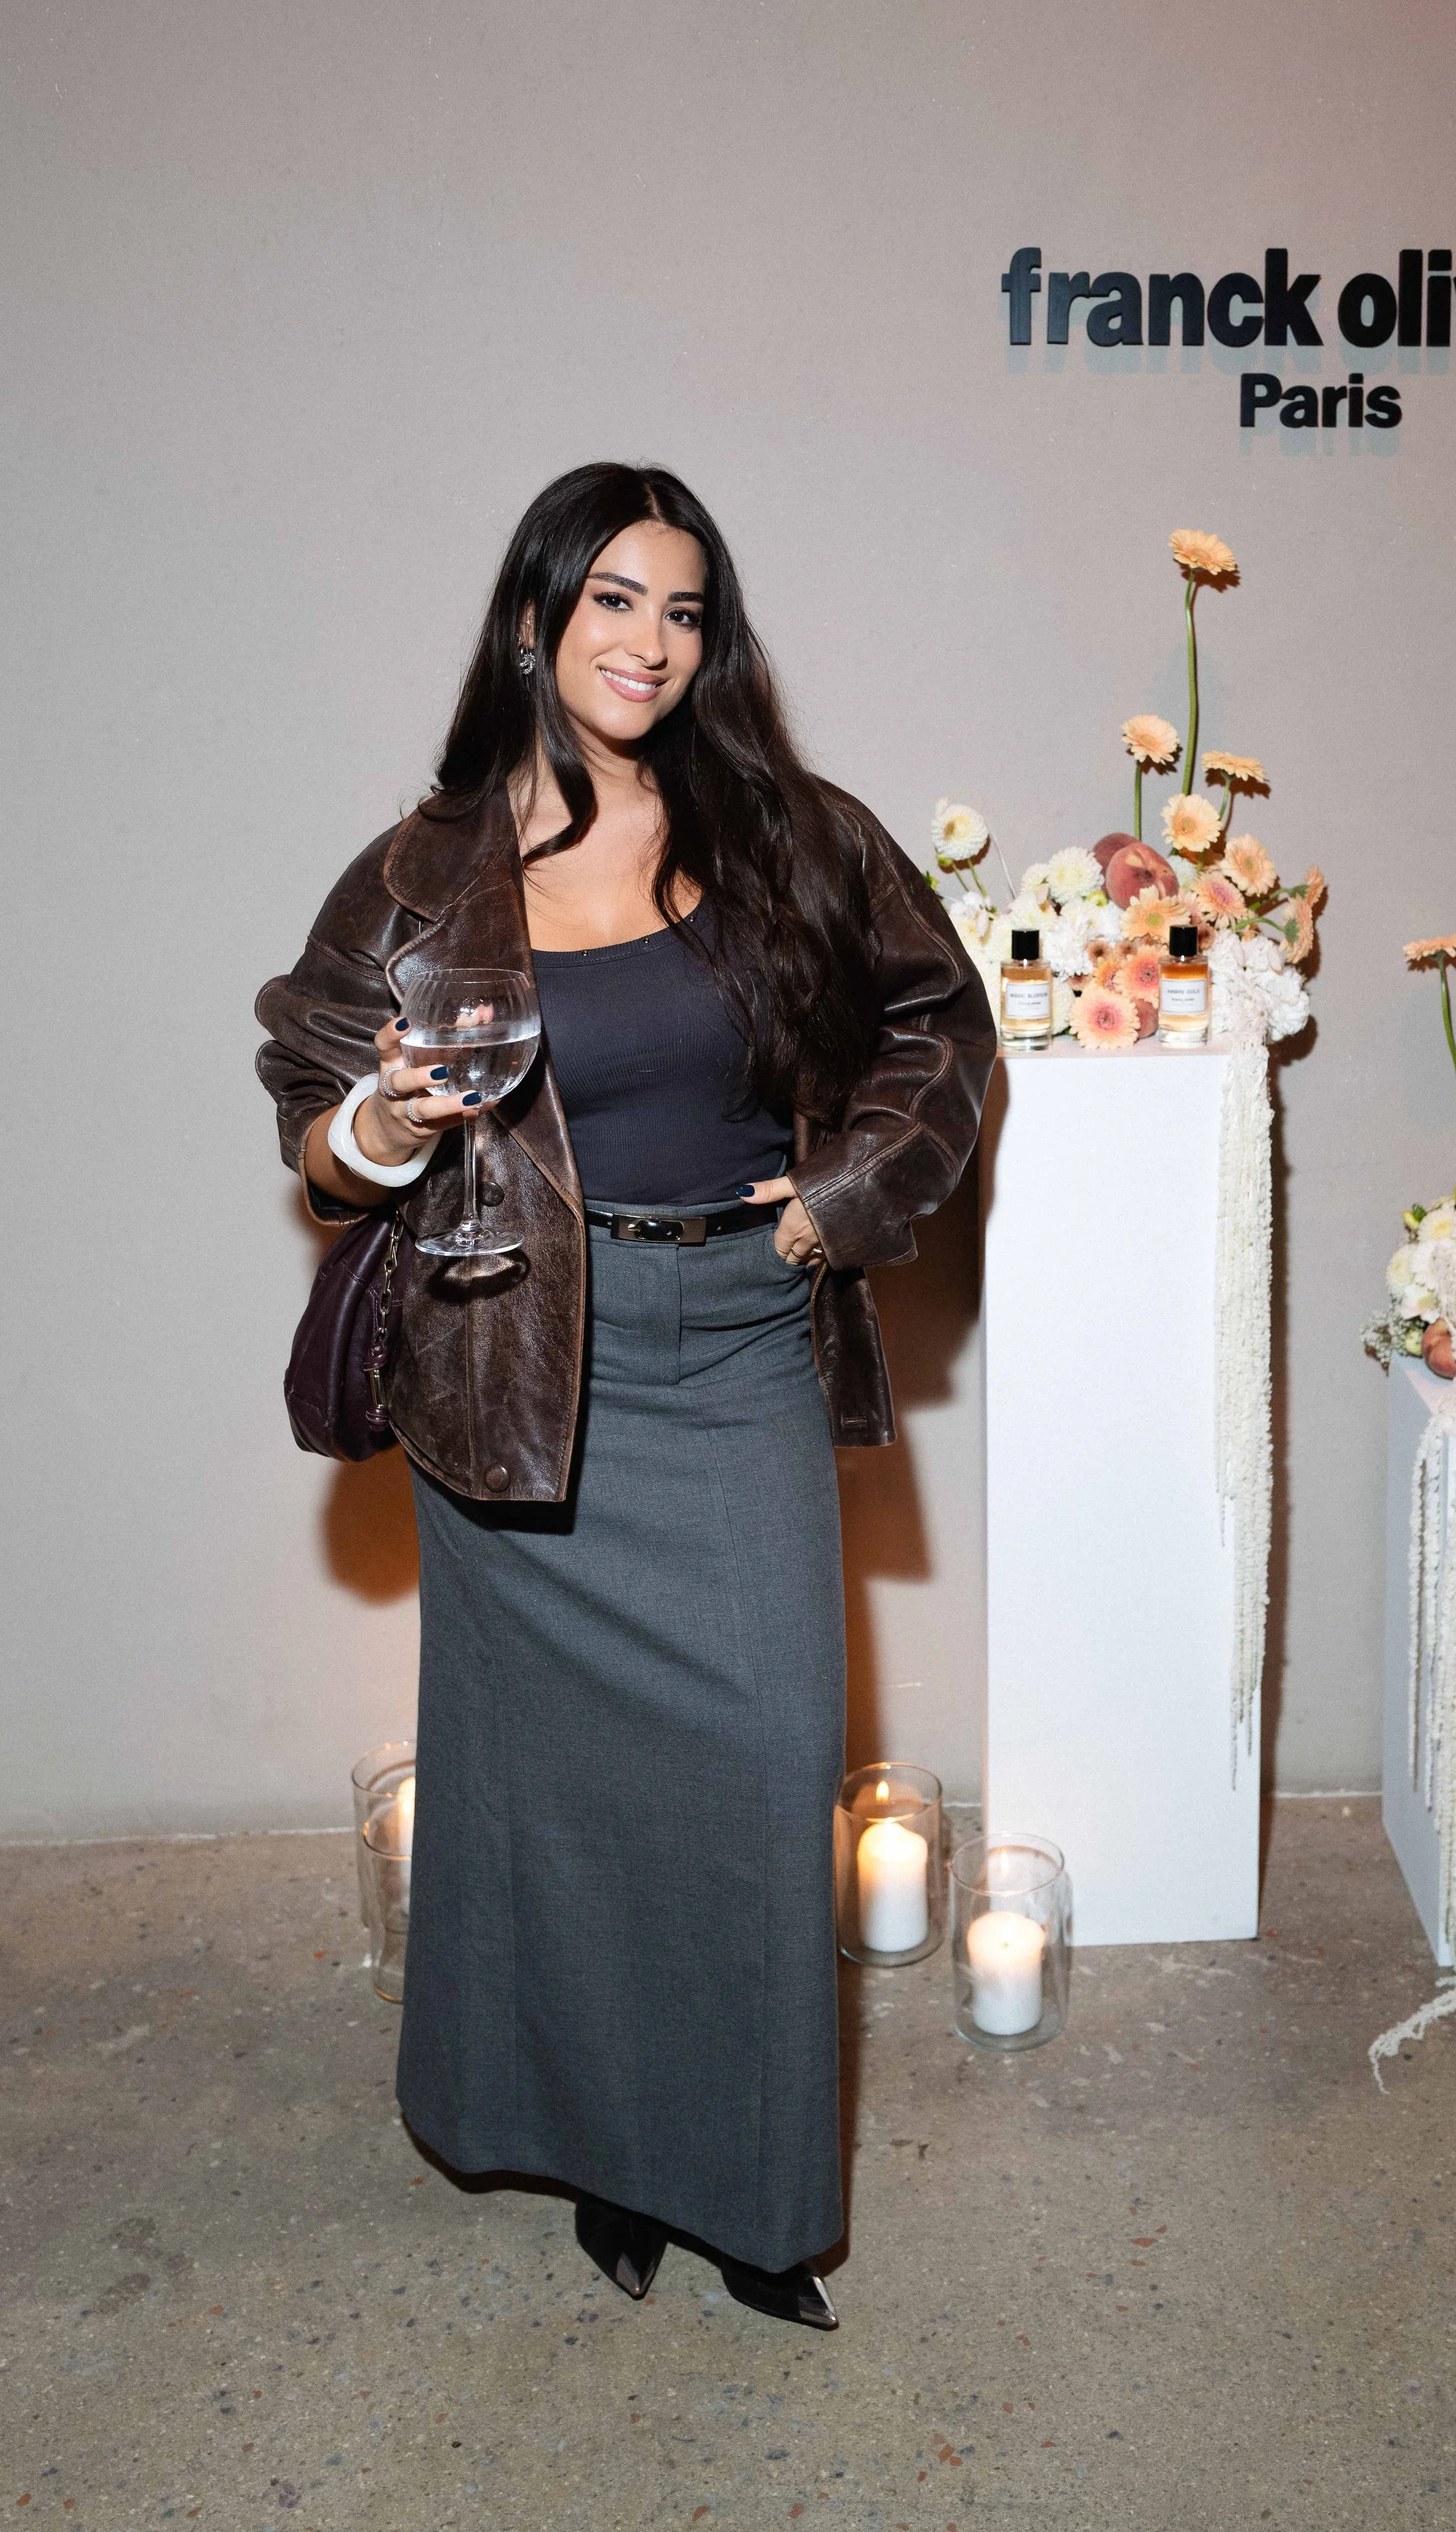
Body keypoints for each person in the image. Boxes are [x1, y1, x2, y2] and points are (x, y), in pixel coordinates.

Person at [256, 463, 993, 2330]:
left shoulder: (787, 832)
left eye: (681, 610)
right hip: (513, 1362)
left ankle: (748, 2189)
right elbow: (313, 1129)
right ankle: (609, 2156)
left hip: (734, 1339)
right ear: (533, 618)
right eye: (610, 601)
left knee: (759, 1771)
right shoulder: (421, 874)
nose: (648, 644)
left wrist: (841, 1200)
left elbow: (940, 1028)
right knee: (561, 1807)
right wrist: (380, 1122)